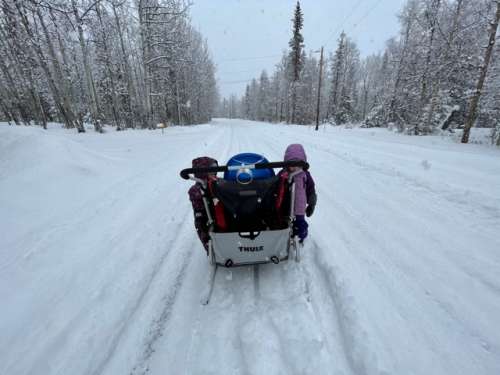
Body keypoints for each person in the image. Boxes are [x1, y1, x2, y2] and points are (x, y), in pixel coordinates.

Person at [280, 144, 317, 243]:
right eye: (291, 164)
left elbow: (311, 189)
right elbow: (275, 187)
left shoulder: (305, 175)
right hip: (285, 206)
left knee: (300, 226)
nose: (294, 168)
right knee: (282, 224)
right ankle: (281, 238)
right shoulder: (283, 174)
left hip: (299, 208)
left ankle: (301, 239)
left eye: (298, 165)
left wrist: (311, 203)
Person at [188, 156, 218, 253]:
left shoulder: (217, 182)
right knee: (201, 224)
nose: (214, 173)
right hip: (207, 215)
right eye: (211, 170)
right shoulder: (196, 190)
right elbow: (200, 216)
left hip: (221, 213)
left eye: (214, 170)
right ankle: (209, 246)